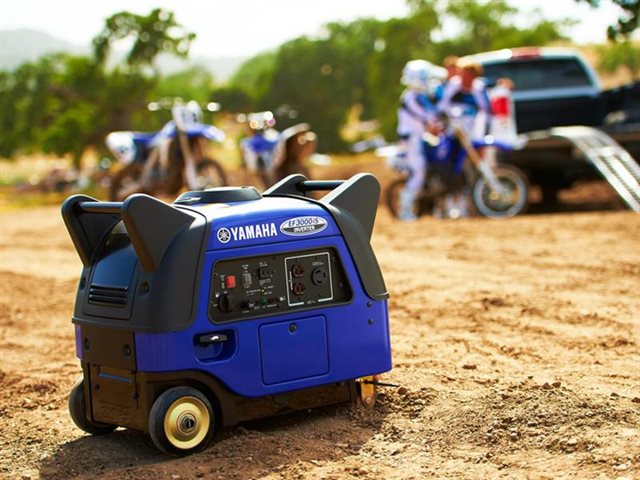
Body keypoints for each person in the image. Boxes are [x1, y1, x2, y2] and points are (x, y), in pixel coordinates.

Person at [436, 61, 492, 218]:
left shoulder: (479, 89)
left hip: (472, 136)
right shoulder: (453, 86)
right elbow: (441, 107)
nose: (464, 78)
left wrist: (483, 135)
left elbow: (486, 113)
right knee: (451, 168)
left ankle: (470, 204)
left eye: (468, 76)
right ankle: (451, 203)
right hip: (454, 134)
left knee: (473, 170)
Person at [396, 59, 440, 221]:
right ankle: (405, 211)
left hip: (419, 139)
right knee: (418, 172)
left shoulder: (419, 96)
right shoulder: (411, 97)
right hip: (412, 141)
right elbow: (427, 115)